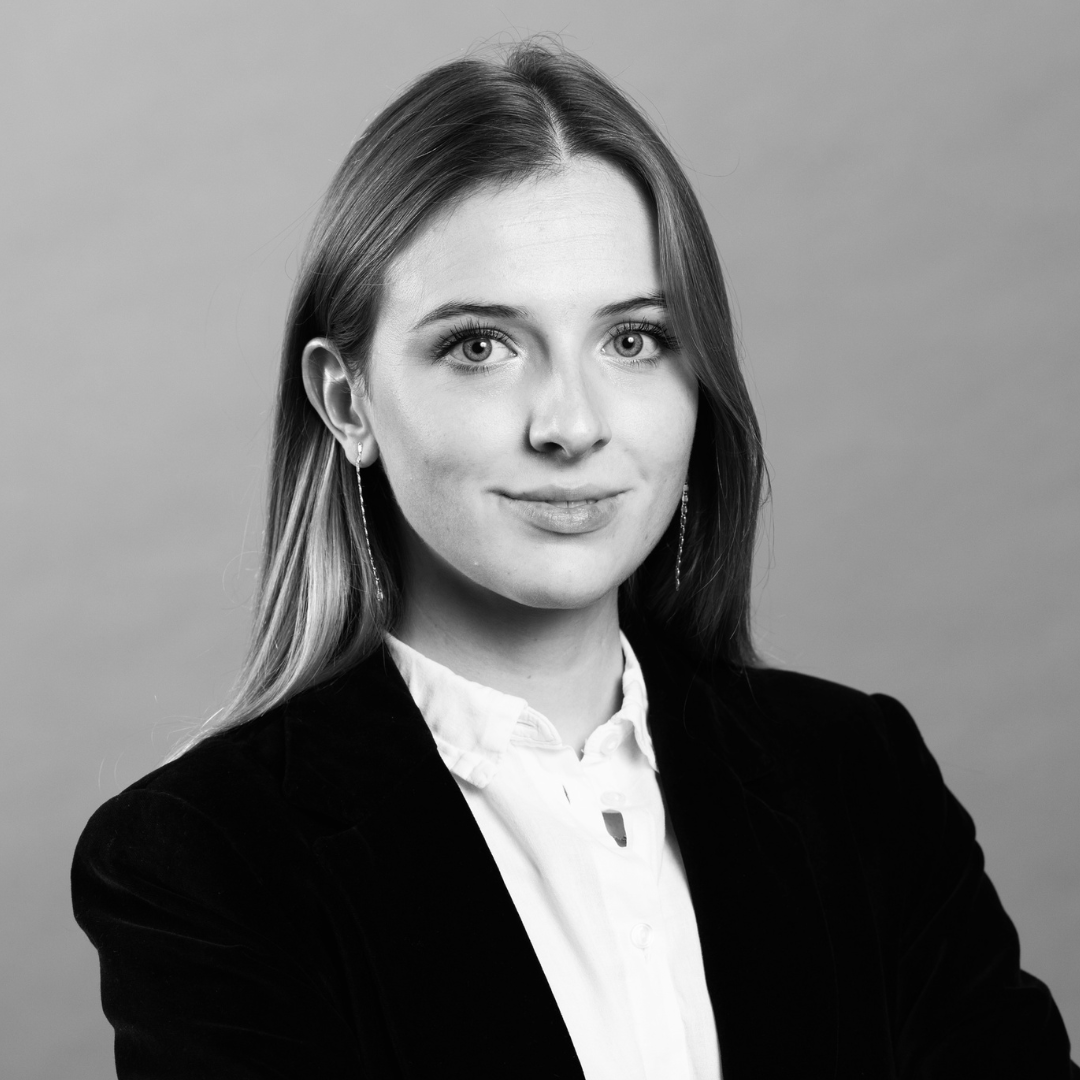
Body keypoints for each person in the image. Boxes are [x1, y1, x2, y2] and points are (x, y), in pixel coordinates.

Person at [71, 40, 1077, 1080]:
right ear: (347, 400)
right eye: (480, 346)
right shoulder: (206, 859)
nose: (571, 424)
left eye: (633, 340)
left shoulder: (860, 780)